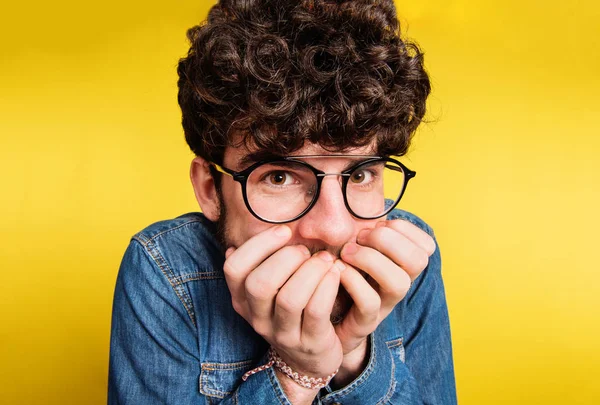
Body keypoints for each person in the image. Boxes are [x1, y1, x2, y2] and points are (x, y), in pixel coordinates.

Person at [108, 0, 457, 403]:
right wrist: (299, 374)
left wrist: (355, 358)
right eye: (279, 177)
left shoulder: (407, 257)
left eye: (360, 175)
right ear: (209, 189)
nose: (335, 228)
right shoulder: (164, 269)